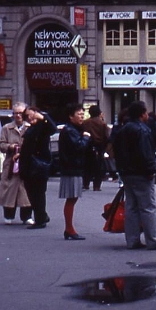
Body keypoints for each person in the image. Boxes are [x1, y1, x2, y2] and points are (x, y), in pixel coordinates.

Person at [112, 101, 156, 250]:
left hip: (126, 172)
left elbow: (117, 151)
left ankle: (132, 240)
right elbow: (146, 154)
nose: (147, 115)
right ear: (142, 114)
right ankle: (153, 240)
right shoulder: (142, 130)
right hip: (141, 173)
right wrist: (150, 171)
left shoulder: (123, 129)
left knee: (131, 206)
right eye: (146, 112)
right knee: (147, 207)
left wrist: (121, 170)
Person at [19, 107, 57, 230]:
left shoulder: (43, 126)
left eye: (31, 114)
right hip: (28, 164)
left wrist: (43, 117)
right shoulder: (31, 128)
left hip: (39, 165)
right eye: (27, 116)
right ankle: (42, 216)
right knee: (31, 193)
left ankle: (40, 219)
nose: (30, 118)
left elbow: (53, 128)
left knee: (38, 194)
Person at [58, 103, 92, 240]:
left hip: (73, 167)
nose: (81, 117)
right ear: (70, 116)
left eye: (83, 114)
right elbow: (79, 146)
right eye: (79, 114)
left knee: (73, 198)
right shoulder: (70, 131)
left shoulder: (73, 129)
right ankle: (69, 229)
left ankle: (69, 229)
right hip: (71, 168)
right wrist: (86, 137)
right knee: (71, 198)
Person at [0, 102, 34, 225]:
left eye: (20, 113)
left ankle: (26, 216)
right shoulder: (7, 128)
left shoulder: (30, 127)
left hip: (27, 163)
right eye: (15, 113)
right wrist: (10, 146)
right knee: (9, 190)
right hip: (11, 164)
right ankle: (8, 215)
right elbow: (1, 144)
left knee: (26, 190)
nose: (18, 115)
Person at [81, 105, 109, 191]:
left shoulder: (85, 122)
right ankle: (97, 186)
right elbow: (106, 137)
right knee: (98, 167)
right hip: (99, 146)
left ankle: (85, 184)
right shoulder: (102, 123)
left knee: (87, 166)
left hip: (87, 146)